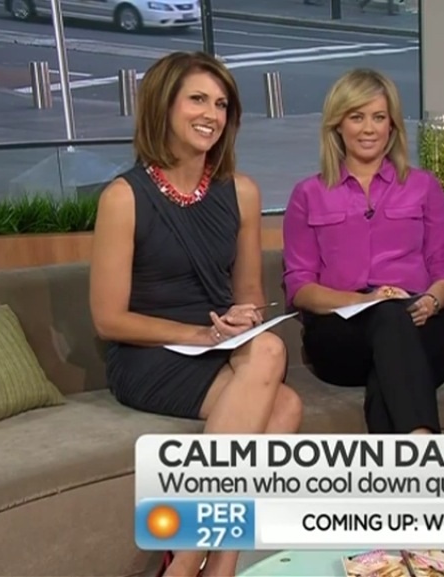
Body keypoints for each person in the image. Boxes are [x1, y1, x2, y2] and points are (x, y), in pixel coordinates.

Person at [89, 51, 302, 577]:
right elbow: (109, 319)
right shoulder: (123, 197)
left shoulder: (242, 192)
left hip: (217, 346)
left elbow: (248, 295)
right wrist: (199, 333)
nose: (212, 114)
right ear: (164, 106)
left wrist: (241, 319)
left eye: (222, 104)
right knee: (281, 398)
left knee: (279, 382)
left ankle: (206, 564)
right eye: (198, 100)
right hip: (148, 354)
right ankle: (194, 561)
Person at [282, 68, 444, 435]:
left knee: (390, 360)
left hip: (419, 323)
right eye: (356, 117)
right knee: (388, 318)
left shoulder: (424, 187)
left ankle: (403, 460)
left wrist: (431, 301)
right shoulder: (308, 194)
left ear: (392, 126)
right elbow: (300, 288)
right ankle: (424, 445)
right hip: (341, 334)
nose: (368, 129)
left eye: (379, 117)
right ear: (338, 125)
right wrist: (365, 302)